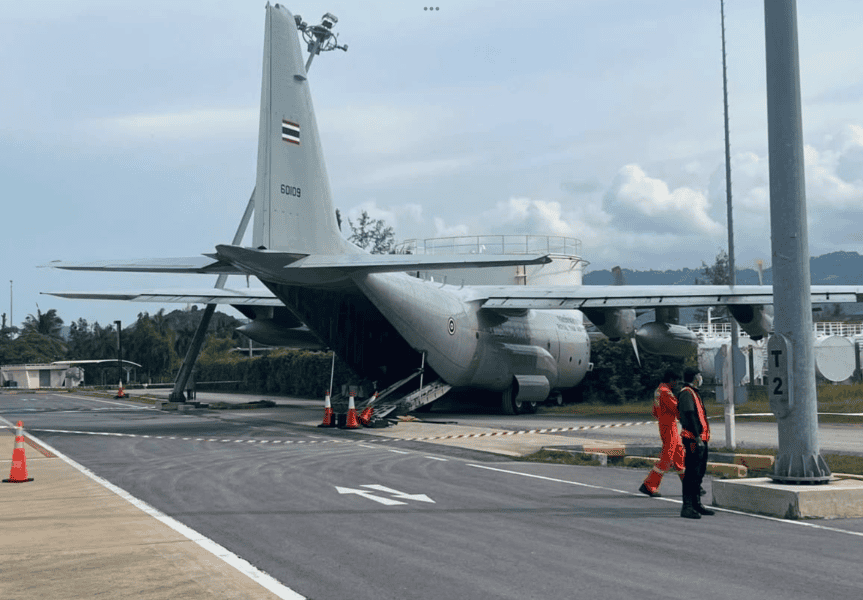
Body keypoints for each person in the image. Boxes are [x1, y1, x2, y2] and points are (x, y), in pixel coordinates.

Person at [639, 368, 685, 498]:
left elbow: (654, 411)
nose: (677, 384)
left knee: (679, 455)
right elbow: (677, 409)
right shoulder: (666, 392)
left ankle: (690, 485)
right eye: (676, 381)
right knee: (668, 457)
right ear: (671, 380)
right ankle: (649, 485)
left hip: (665, 424)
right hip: (669, 426)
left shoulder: (659, 390)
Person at [677, 367, 715, 519]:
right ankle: (687, 506)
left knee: (699, 472)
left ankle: (696, 503)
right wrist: (697, 437)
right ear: (694, 377)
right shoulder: (686, 393)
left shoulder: (694, 392)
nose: (700, 377)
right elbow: (690, 415)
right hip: (693, 439)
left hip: (701, 438)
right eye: (699, 375)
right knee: (691, 473)